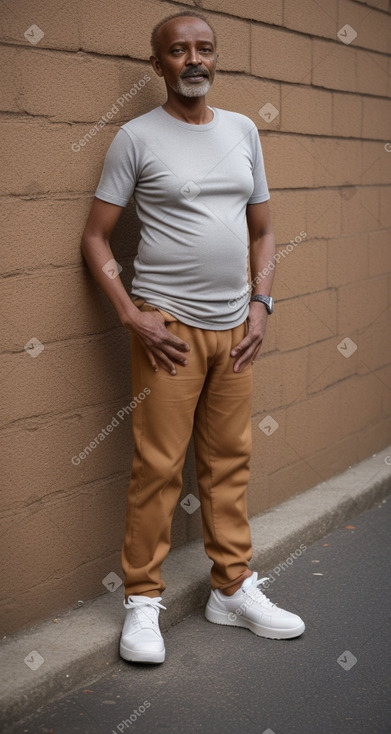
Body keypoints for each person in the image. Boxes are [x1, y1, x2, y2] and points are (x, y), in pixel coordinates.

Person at [81, 10, 305, 665]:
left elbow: (263, 231)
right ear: (158, 66)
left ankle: (231, 587)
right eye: (177, 51)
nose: (193, 59)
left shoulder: (241, 131)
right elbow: (95, 237)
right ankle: (142, 603)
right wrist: (130, 314)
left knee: (228, 462)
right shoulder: (135, 137)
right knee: (156, 469)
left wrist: (261, 304)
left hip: (237, 327)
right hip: (168, 331)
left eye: (203, 48)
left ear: (215, 58)